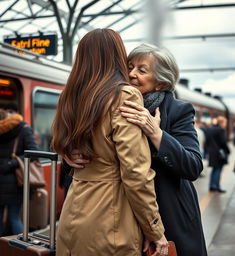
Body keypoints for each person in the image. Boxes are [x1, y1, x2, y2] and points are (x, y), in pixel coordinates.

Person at [68, 43, 208, 256]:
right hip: (120, 213)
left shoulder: (179, 110)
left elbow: (192, 166)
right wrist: (68, 153)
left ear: (160, 83)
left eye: (142, 70)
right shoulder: (110, 102)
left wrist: (156, 134)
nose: (131, 74)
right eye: (129, 66)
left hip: (168, 213)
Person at [51, 29, 168, 256]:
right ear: (117, 55)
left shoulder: (71, 96)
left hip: (72, 214)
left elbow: (59, 141)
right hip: (110, 218)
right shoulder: (124, 95)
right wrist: (155, 230)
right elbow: (135, 171)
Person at [0, 108, 38, 236]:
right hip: (16, 181)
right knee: (14, 217)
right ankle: (19, 250)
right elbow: (33, 153)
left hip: (7, 180)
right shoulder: (23, 129)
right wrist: (13, 163)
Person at [206, 116, 230, 193]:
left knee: (214, 169)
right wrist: (228, 150)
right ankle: (216, 186)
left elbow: (207, 141)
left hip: (212, 152)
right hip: (219, 153)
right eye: (225, 123)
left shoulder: (210, 129)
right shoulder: (220, 130)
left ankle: (212, 186)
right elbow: (223, 142)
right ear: (222, 122)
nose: (225, 124)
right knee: (218, 170)